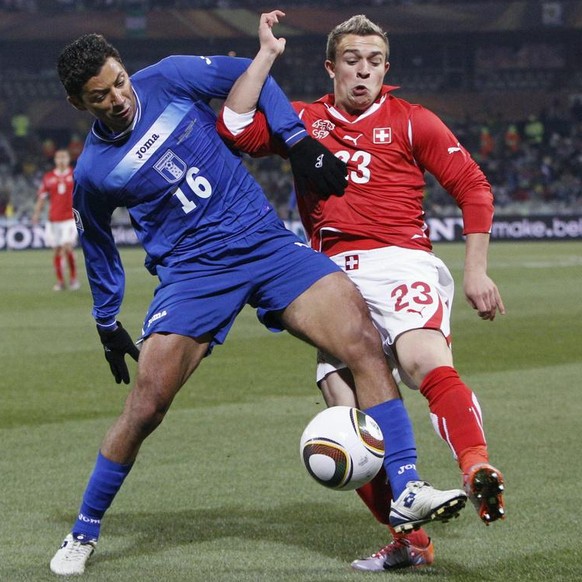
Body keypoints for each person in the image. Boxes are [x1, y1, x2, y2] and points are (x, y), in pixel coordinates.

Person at [49, 12, 466, 577]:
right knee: (146, 407)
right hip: (194, 275)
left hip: (266, 244)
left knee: (361, 341)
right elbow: (96, 248)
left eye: (120, 80)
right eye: (101, 96)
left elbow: (256, 76)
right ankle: (84, 531)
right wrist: (106, 319)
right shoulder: (94, 174)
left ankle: (408, 485)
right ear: (81, 104)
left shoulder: (169, 77)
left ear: (125, 68)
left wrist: (295, 139)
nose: (119, 97)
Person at [218, 12, 506, 573]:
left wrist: (476, 271)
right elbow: (234, 126)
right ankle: (410, 540)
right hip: (331, 279)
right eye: (351, 60)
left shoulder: (412, 120)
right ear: (331, 66)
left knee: (424, 360)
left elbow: (472, 186)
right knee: (344, 424)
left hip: (400, 262)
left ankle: (476, 467)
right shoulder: (301, 119)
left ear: (386, 69)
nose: (362, 72)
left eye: (374, 62)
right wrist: (266, 56)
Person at [31, 148, 80, 291]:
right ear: (55, 160)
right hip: (53, 219)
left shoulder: (75, 174)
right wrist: (36, 213)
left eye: (64, 157)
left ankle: (73, 279)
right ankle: (60, 281)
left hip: (70, 218)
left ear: (68, 159)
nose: (62, 160)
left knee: (67, 246)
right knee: (57, 250)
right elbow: (42, 198)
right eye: (59, 158)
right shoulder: (48, 177)